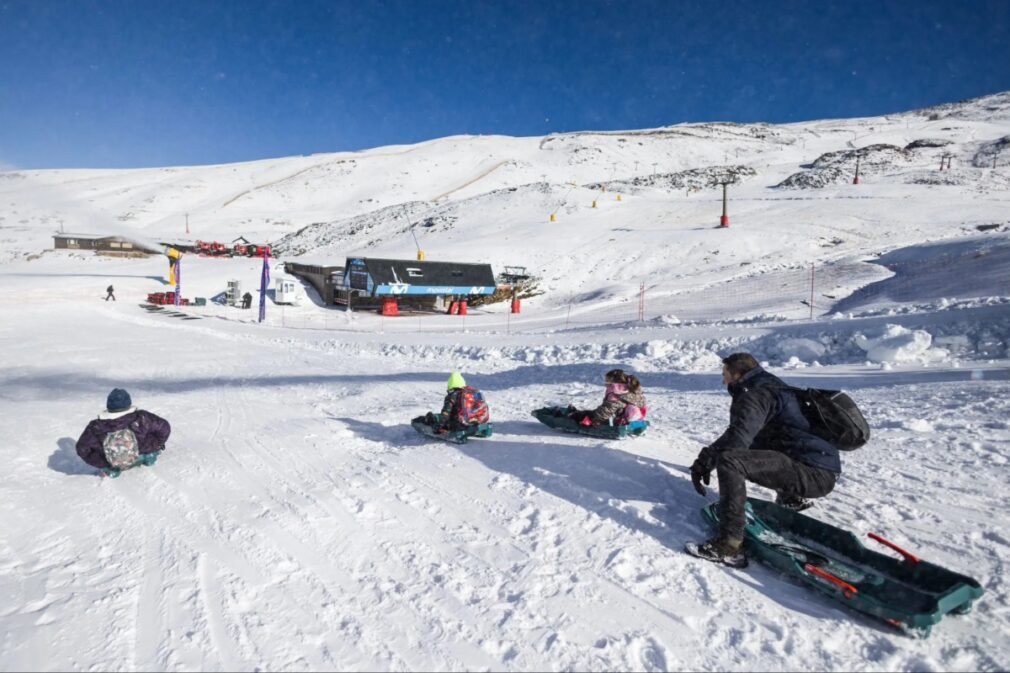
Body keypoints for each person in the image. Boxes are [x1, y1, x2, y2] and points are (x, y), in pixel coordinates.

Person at [686, 353, 841, 568]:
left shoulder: (755, 394)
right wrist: (706, 458)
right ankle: (791, 498)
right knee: (761, 440)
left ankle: (730, 544)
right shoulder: (770, 385)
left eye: (725, 375)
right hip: (819, 469)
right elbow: (747, 434)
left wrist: (707, 461)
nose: (724, 381)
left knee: (731, 461)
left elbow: (737, 440)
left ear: (738, 374)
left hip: (814, 474)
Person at [75, 388, 171, 478]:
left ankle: (111, 470)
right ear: (128, 403)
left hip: (113, 462)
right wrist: (155, 445)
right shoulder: (141, 417)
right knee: (149, 444)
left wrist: (103, 462)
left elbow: (82, 449)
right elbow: (164, 428)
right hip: (141, 454)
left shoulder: (96, 426)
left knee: (104, 457)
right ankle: (149, 457)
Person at [568, 369, 647, 427]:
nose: (606, 384)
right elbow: (642, 404)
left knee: (588, 415)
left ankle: (573, 415)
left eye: (608, 381)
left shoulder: (616, 392)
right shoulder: (632, 388)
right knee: (593, 413)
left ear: (614, 382)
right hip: (636, 417)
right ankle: (578, 413)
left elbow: (608, 409)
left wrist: (596, 419)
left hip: (617, 419)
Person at [424, 372, 490, 432]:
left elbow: (446, 413)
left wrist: (439, 425)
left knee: (434, 418)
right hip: (476, 421)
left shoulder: (452, 395)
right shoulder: (471, 393)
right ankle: (475, 424)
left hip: (459, 424)